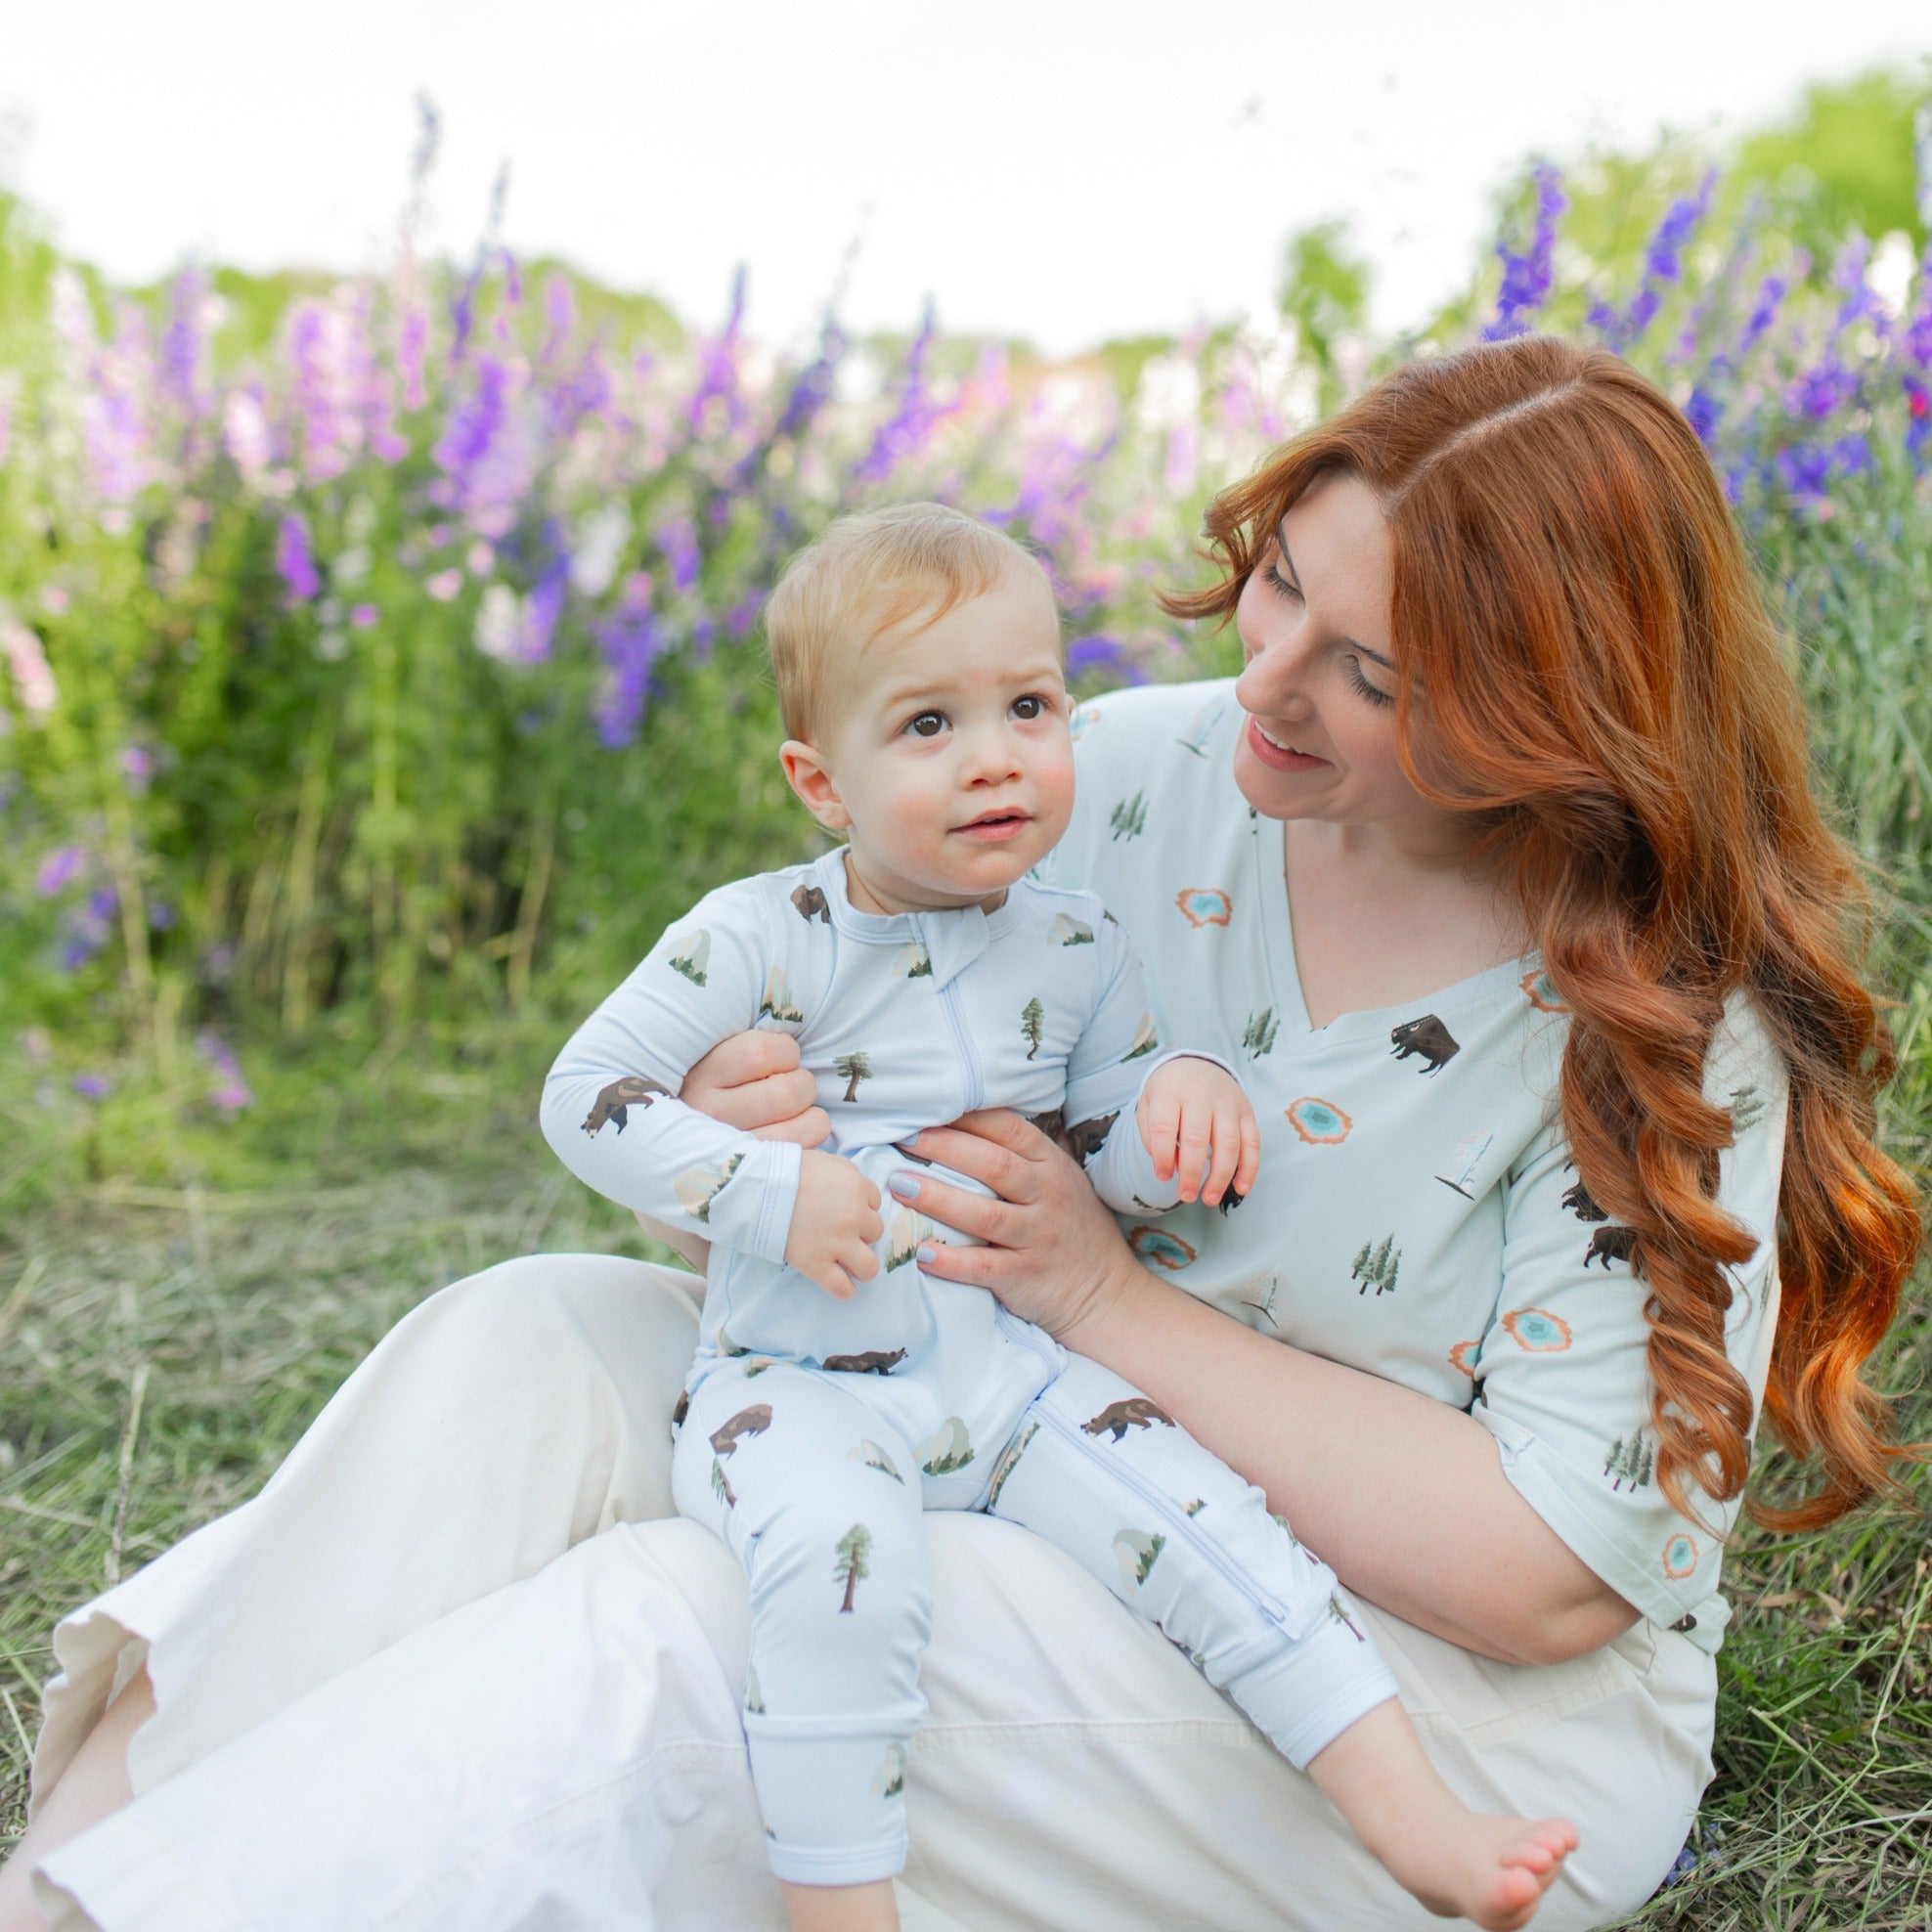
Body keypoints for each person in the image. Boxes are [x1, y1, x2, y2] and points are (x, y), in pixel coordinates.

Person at [3, 335, 1917, 1932]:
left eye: (1377, 676)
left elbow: (1546, 1569)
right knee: (523, 1345)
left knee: (707, 1622)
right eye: (1279, 589)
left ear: (1552, 715)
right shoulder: (1139, 772)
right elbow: (874, 1072)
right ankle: (80, 1866)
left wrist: (1096, 1290)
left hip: (1427, 1703)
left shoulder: (1658, 1022)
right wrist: (767, 1136)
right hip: (996, 1430)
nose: (1267, 684)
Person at [538, 502, 1578, 1932]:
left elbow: (1102, 1136)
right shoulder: (755, 935)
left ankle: (1415, 1821)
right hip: (805, 1384)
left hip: (1018, 1385)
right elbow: (587, 1092)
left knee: (1220, 1527)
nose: (995, 759)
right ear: (818, 779)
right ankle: (840, 1907)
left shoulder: (1077, 942)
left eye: (1028, 705)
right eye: (926, 727)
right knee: (838, 1591)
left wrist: (1179, 1111)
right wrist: (767, 1185)